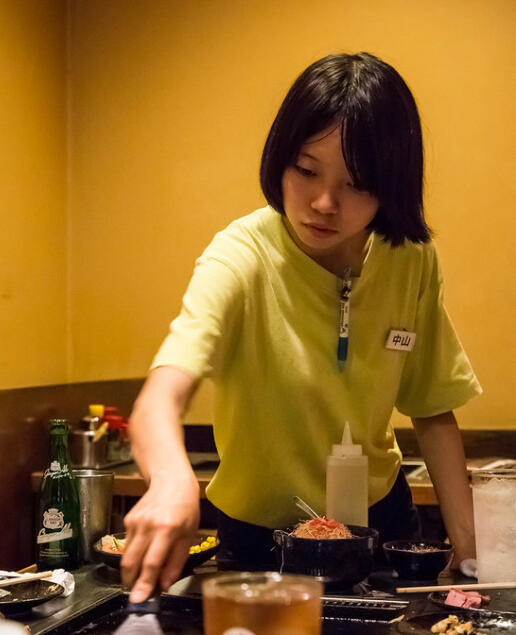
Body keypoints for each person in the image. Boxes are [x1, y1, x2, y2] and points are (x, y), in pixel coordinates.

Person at [122, 52, 482, 602]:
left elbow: (432, 407)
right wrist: (172, 482)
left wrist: (472, 553)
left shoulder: (409, 258)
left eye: (356, 184)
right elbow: (160, 398)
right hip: (261, 539)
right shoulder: (241, 255)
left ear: (392, 184)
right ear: (280, 160)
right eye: (306, 170)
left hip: (381, 527)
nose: (322, 203)